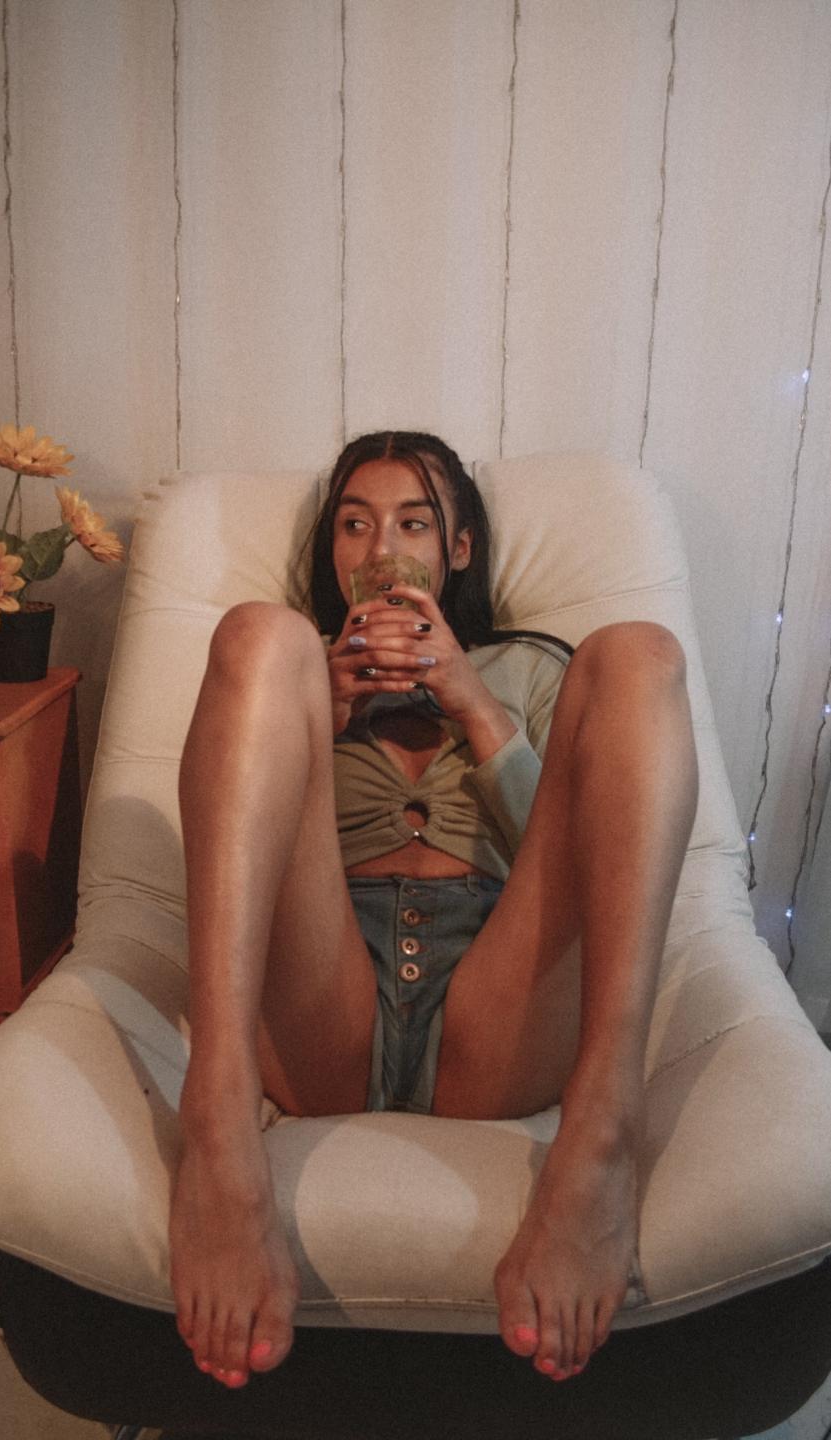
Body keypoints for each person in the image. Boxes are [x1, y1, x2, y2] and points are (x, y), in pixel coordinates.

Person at [169, 430, 698, 1391]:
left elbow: (588, 857)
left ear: (456, 549)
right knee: (256, 632)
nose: (381, 550)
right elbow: (240, 857)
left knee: (637, 654)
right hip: (325, 996)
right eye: (353, 525)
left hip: (499, 1002)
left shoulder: (530, 669)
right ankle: (215, 1124)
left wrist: (473, 702)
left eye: (412, 524)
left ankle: (602, 1133)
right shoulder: (291, 669)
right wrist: (316, 714)